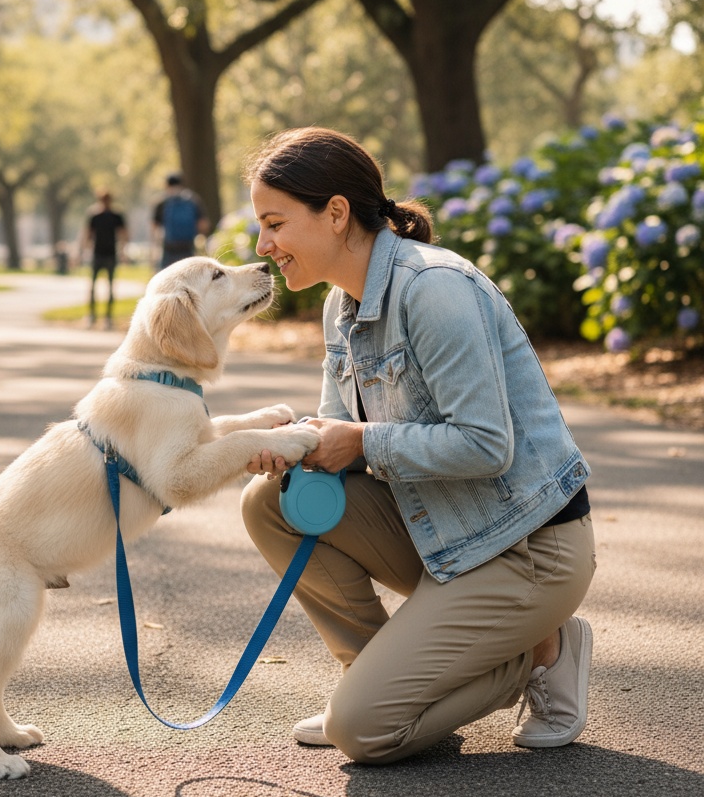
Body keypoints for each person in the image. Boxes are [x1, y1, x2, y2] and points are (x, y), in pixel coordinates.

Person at [241, 126, 595, 764]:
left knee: (363, 734)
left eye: (275, 224)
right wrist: (297, 447)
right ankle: (376, 679)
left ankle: (542, 648)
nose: (264, 246)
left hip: (527, 547)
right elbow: (339, 443)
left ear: (337, 213)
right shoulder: (340, 307)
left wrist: (361, 440)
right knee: (271, 501)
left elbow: (488, 445)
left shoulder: (434, 289)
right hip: (445, 528)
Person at [81, 190, 128, 328]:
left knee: (109, 287)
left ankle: (107, 317)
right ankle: (93, 316)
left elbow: (123, 234)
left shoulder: (115, 216)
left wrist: (122, 251)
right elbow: (88, 234)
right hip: (99, 254)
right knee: (94, 287)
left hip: (109, 254)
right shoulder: (95, 215)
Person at [152, 172, 209, 269]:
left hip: (169, 247)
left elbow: (154, 228)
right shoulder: (193, 200)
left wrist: (155, 247)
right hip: (187, 246)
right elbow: (203, 225)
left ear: (167, 185)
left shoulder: (162, 202)